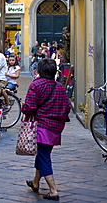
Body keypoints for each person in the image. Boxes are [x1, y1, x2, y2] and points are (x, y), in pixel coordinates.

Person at [22, 58, 71, 201]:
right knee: (43, 153)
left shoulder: (36, 85)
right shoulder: (60, 87)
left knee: (44, 156)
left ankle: (53, 190)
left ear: (39, 70)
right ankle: (35, 182)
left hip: (41, 126)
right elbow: (67, 106)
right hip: (56, 127)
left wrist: (24, 107)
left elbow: (30, 107)